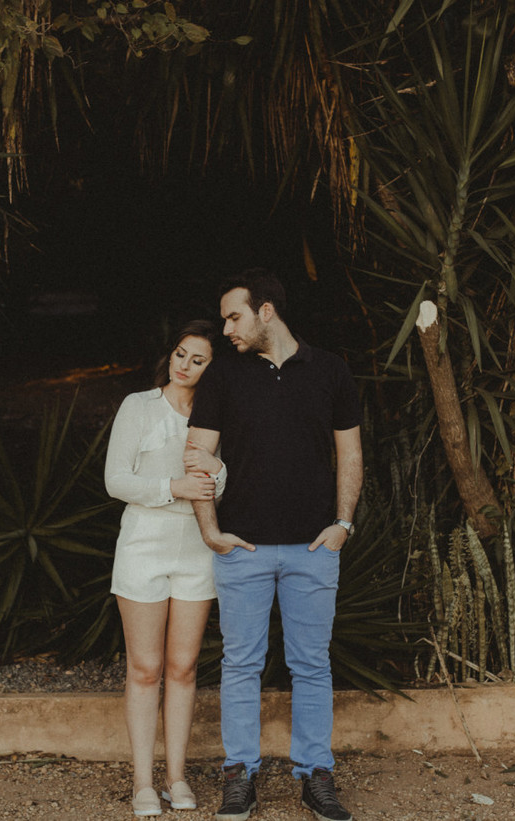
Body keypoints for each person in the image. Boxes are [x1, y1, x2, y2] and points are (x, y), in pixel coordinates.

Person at [186, 270, 362, 821]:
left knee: (311, 665)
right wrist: (211, 533)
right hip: (245, 550)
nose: (226, 329)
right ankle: (240, 776)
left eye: (234, 317)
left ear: (266, 312)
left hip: (314, 548)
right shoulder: (223, 377)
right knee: (241, 664)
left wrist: (343, 524)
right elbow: (196, 456)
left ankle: (315, 776)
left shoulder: (330, 370)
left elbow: (350, 454)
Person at [105, 320, 227, 817]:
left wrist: (217, 475)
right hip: (144, 544)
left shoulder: (217, 416)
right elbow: (116, 479)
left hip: (197, 549)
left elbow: (225, 483)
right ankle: (142, 782)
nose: (184, 365)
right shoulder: (139, 406)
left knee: (182, 668)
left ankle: (177, 778)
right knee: (145, 667)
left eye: (198, 361)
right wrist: (173, 487)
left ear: (212, 370)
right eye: (181, 354)